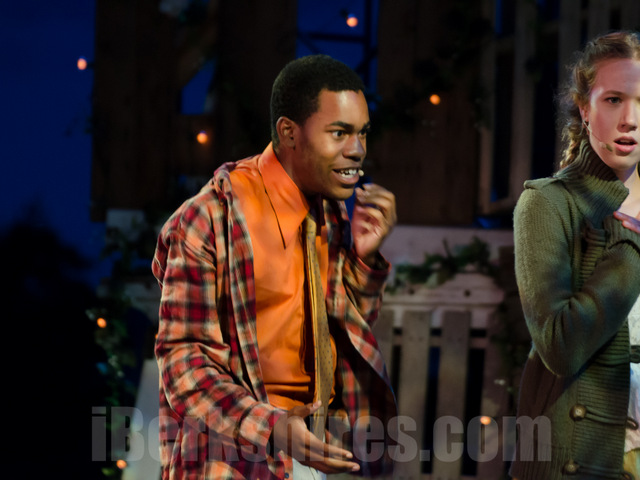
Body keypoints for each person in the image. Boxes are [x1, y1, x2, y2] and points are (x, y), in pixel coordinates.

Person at [152, 54, 398, 480]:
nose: (357, 150)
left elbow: (344, 335)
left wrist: (363, 258)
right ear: (289, 133)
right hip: (229, 460)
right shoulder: (210, 218)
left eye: (362, 133)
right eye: (339, 133)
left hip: (315, 452)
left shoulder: (329, 212)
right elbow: (183, 364)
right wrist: (272, 428)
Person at [510, 31, 640, 479]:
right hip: (583, 451)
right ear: (585, 108)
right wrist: (632, 246)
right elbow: (560, 346)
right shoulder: (548, 203)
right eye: (613, 100)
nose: (630, 119)